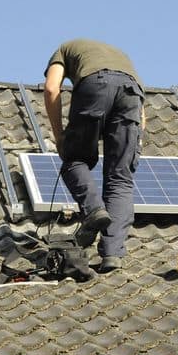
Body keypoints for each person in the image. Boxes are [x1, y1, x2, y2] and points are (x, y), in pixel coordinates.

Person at [43, 39, 145, 273]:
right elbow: (141, 117)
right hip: (133, 94)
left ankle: (93, 211)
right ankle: (112, 254)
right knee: (121, 179)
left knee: (74, 159)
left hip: (94, 84)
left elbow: (51, 87)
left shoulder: (64, 49)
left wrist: (60, 137)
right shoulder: (122, 56)